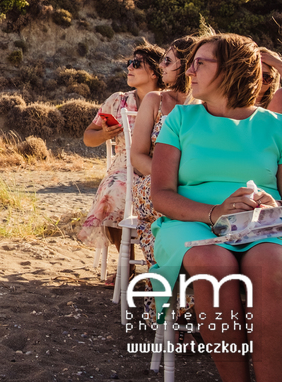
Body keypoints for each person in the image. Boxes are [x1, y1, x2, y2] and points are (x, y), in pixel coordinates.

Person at [150, 33, 282, 382]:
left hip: (262, 225)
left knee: (272, 263)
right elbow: (161, 195)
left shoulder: (276, 126)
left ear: (231, 70)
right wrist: (214, 212)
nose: (189, 71)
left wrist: (274, 203)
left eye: (200, 63)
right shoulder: (180, 119)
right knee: (212, 262)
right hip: (190, 219)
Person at [78, 43, 163, 270]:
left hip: (159, 165)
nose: (129, 68)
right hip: (124, 166)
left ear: (154, 72)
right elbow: (88, 137)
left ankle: (160, 261)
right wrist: (104, 134)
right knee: (113, 190)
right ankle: (127, 265)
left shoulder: (169, 102)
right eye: (129, 63)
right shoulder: (118, 100)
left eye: (136, 64)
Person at [129, 36, 197, 266]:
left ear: (187, 65)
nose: (161, 65)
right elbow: (137, 155)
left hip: (194, 183)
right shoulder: (155, 100)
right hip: (155, 181)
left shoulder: (205, 105)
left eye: (167, 61)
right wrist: (169, 176)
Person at [257, 47, 281, 111]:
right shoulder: (232, 105)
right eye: (253, 74)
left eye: (265, 76)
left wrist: (279, 64)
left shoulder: (277, 107)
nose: (258, 80)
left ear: (273, 80)